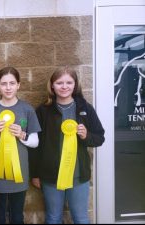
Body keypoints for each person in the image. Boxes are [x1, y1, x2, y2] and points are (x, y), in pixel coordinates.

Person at [29, 66, 105, 224]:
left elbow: (99, 138)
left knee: (81, 217)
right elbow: (36, 146)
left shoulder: (85, 108)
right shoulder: (43, 111)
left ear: (75, 85)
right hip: (51, 176)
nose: (64, 86)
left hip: (78, 175)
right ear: (52, 86)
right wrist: (35, 174)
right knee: (53, 217)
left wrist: (86, 136)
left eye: (69, 82)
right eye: (59, 83)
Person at [0, 66, 41, 224]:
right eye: (3, 84)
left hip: (19, 173)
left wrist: (22, 135)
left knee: (17, 217)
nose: (8, 87)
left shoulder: (27, 109)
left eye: (12, 83)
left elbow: (35, 142)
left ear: (18, 85)